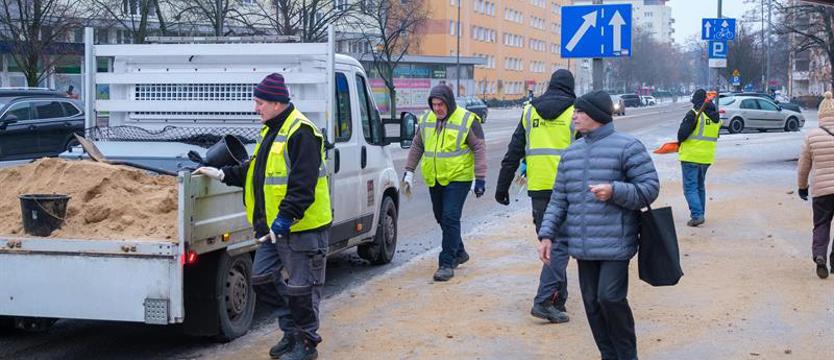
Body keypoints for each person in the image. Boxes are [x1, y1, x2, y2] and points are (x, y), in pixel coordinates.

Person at [193, 73, 331, 360]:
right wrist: (220, 173)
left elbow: (303, 185)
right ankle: (291, 331)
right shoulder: (271, 130)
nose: (255, 108)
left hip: (302, 228)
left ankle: (306, 344)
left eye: (259, 102)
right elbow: (255, 173)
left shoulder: (301, 132)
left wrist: (285, 218)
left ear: (277, 103)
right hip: (274, 229)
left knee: (302, 289)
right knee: (262, 278)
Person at [538, 90, 659, 360]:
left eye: (579, 111)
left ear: (596, 115)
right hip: (582, 245)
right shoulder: (570, 154)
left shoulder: (628, 146)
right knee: (592, 305)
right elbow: (558, 201)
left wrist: (614, 191)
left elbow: (650, 189)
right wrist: (546, 235)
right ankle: (608, 355)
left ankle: (627, 356)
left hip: (616, 242)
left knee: (610, 298)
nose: (574, 116)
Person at [495, 69, 576, 324]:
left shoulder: (530, 111)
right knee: (560, 245)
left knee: (551, 242)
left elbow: (514, 150)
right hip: (568, 187)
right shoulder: (576, 111)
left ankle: (558, 298)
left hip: (539, 188)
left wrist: (502, 186)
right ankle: (543, 301)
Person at [402, 84, 487, 282]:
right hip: (435, 177)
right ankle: (459, 252)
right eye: (434, 104)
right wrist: (409, 171)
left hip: (459, 178)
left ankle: (446, 263)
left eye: (441, 104)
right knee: (441, 216)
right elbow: (417, 145)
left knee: (450, 216)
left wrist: (480, 177)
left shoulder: (467, 120)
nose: (437, 108)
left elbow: (479, 148)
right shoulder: (427, 120)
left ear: (448, 102)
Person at [797, 91, 834, 279]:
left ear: (820, 115)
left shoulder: (812, 136)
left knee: (821, 224)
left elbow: (803, 166)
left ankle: (820, 255)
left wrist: (802, 187)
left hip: (821, 190)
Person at [677, 89, 720, 227]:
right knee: (700, 187)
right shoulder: (715, 118)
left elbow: (682, 135)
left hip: (691, 156)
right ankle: (700, 212)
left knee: (690, 188)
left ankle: (697, 215)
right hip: (706, 158)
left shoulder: (694, 114)